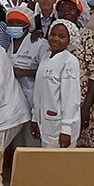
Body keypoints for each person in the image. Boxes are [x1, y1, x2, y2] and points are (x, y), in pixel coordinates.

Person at [55, 0, 94, 148]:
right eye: (62, 9)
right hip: (56, 101)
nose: (66, 12)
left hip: (81, 101)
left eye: (71, 9)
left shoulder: (90, 37)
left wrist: (86, 106)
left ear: (79, 13)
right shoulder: (53, 38)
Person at [31, 19, 82, 148]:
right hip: (46, 122)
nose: (56, 39)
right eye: (53, 34)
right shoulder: (46, 57)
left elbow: (71, 97)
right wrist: (35, 118)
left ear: (70, 40)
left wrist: (66, 129)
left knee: (62, 165)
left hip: (61, 126)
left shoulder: (69, 61)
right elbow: (39, 91)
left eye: (62, 36)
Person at [6, 7, 43, 145]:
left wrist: (24, 72)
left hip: (32, 100)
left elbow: (46, 71)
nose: (14, 26)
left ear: (28, 25)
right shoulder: (8, 45)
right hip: (14, 102)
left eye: (18, 22)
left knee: (31, 143)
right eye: (11, 22)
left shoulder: (39, 43)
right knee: (17, 144)